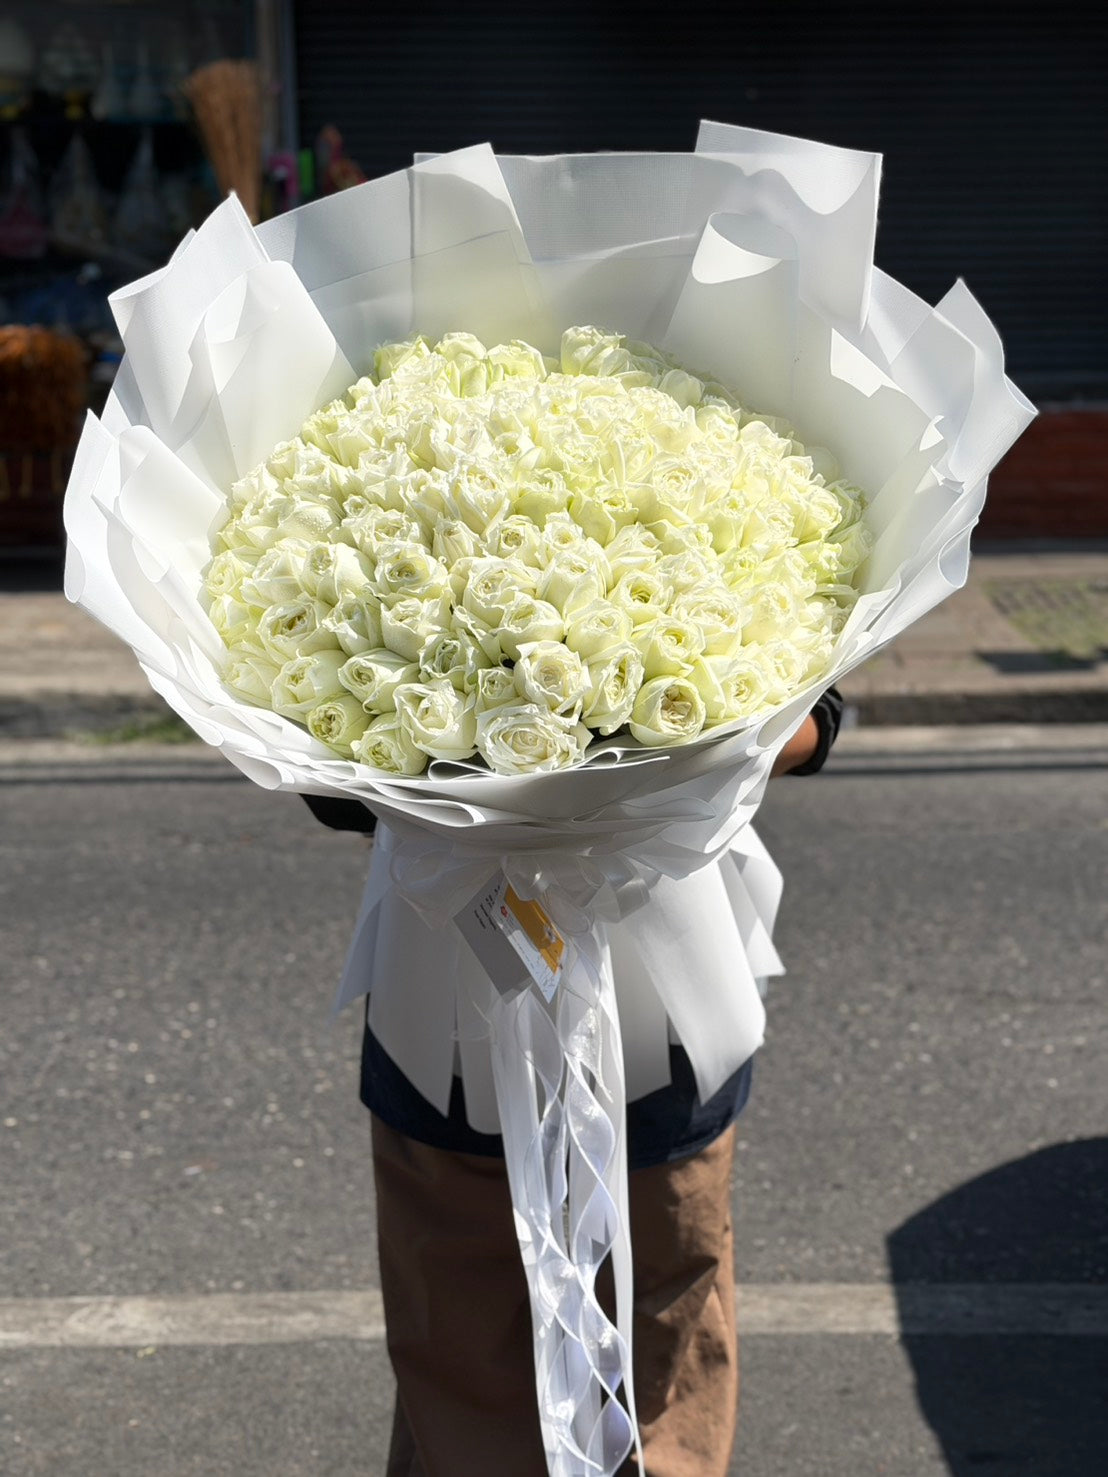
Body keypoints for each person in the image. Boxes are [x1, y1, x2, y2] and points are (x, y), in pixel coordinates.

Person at [304, 688, 843, 1476]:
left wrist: (676, 757)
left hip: (651, 987)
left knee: (652, 1318)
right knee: (471, 1320)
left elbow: (811, 719)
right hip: (457, 987)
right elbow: (328, 784)